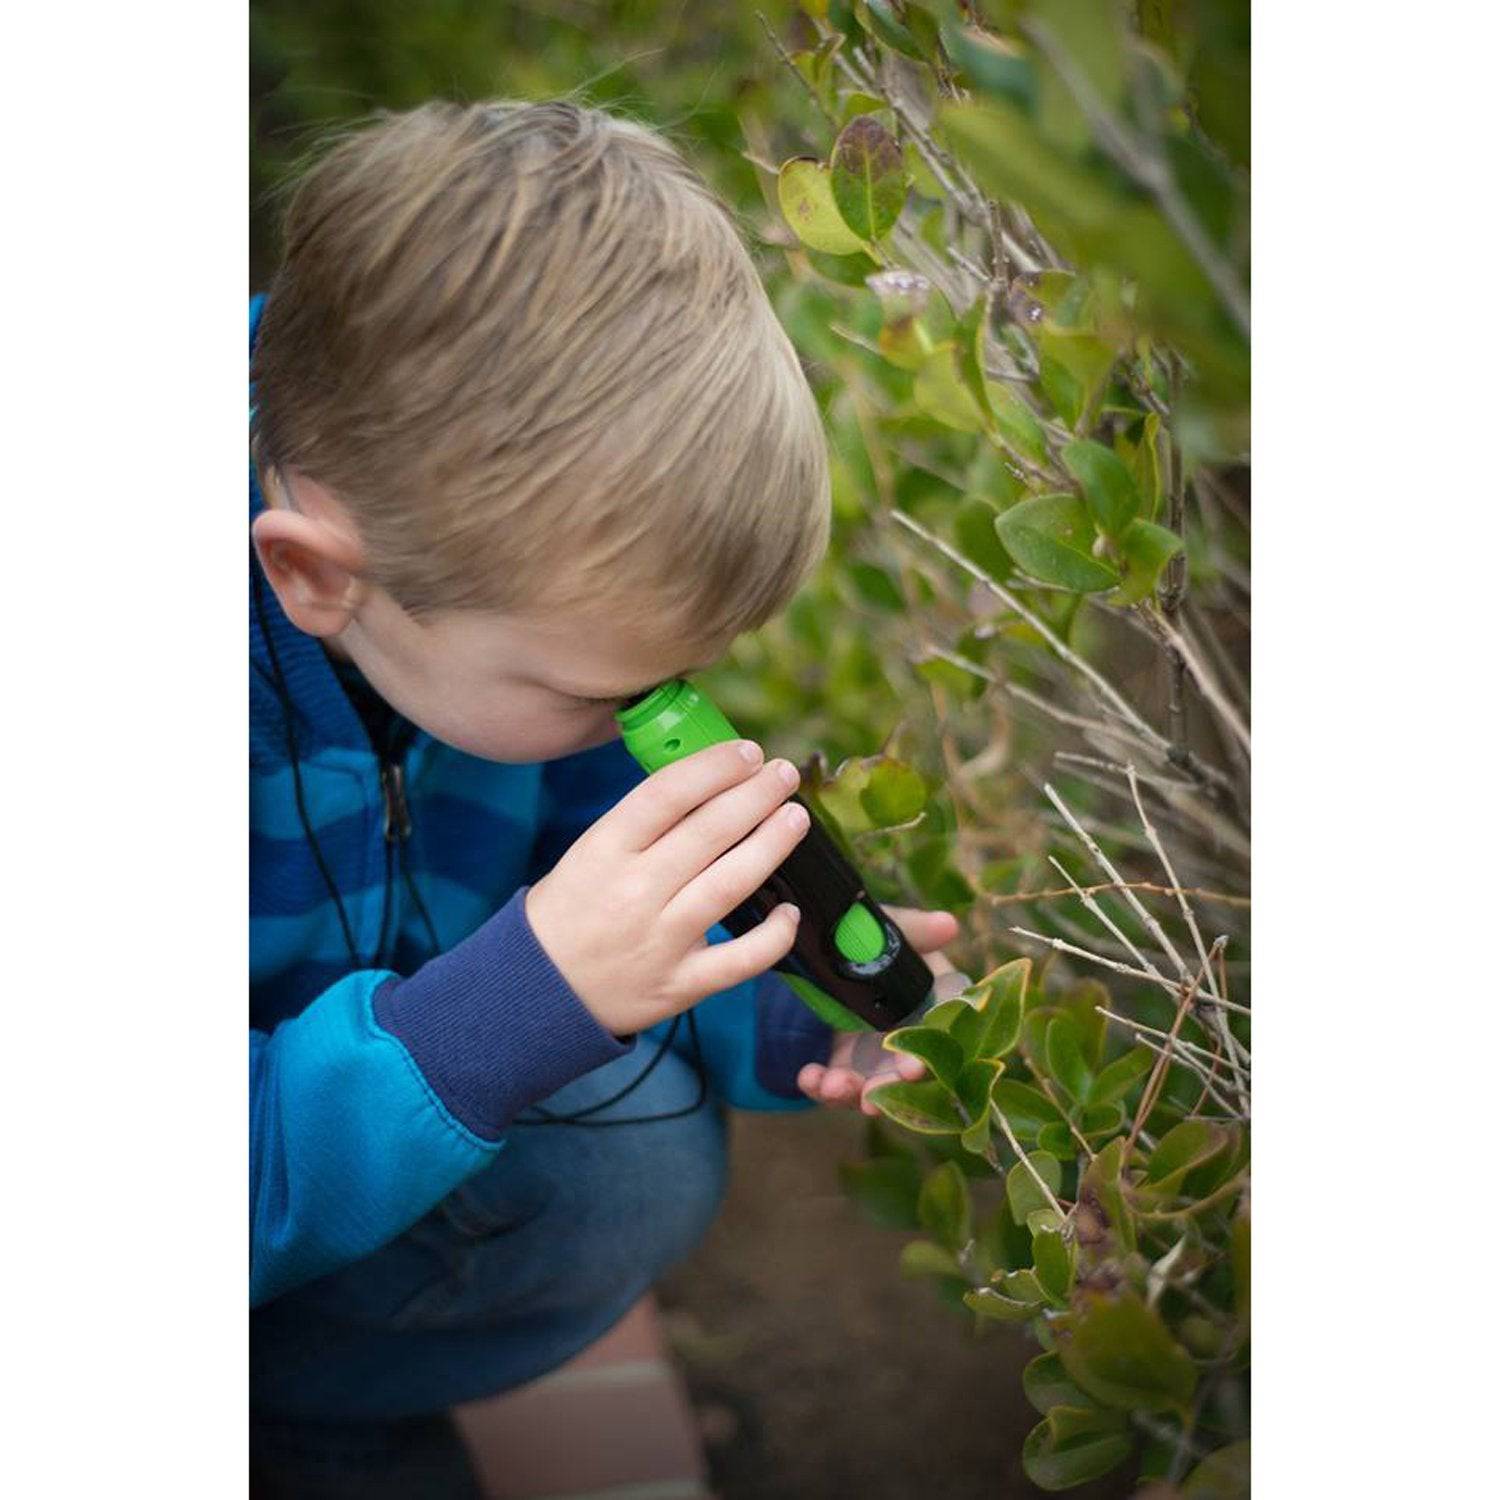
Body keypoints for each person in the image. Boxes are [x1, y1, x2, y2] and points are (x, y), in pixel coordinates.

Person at [249, 98, 960, 1496]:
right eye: (609, 692)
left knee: (632, 1160)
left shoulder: (463, 581)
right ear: (315, 575)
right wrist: (505, 1011)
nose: (656, 724)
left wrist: (778, 988)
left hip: (310, 1133)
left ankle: (316, 1398)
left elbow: (577, 857)